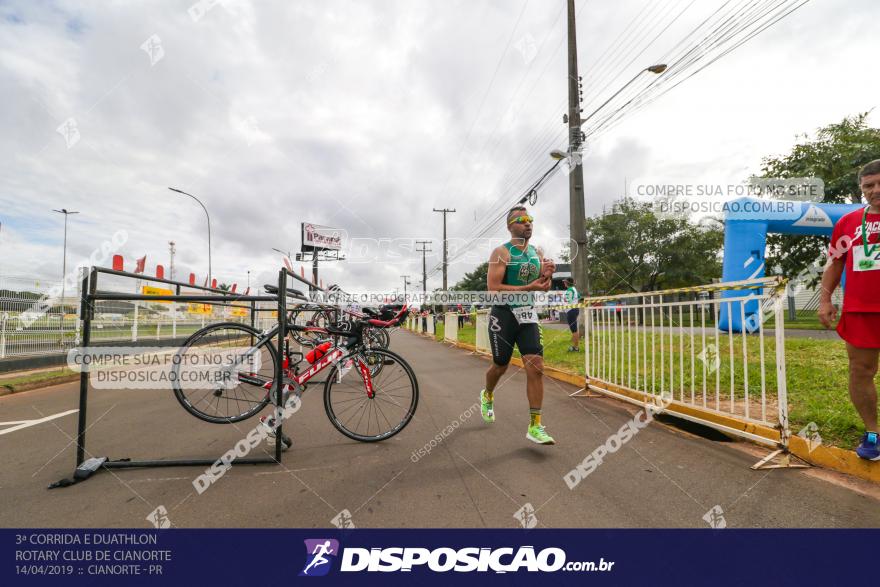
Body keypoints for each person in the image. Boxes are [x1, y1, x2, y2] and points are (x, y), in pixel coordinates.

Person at [818, 159, 880, 461]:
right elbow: (835, 263)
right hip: (861, 311)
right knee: (860, 371)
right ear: (861, 190)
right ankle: (872, 433)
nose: (875, 190)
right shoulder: (848, 223)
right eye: (869, 185)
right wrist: (825, 299)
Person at [481, 206, 555, 444]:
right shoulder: (501, 252)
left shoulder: (537, 252)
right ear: (510, 226)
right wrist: (528, 288)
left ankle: (535, 426)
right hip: (503, 316)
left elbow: (543, 286)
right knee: (500, 366)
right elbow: (493, 290)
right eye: (521, 220)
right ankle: (488, 394)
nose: (528, 224)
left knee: (536, 366)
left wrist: (547, 277)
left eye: (530, 219)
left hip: (528, 316)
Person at [562, 277, 580, 352]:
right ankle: (574, 346)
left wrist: (564, 298)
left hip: (571, 310)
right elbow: (579, 298)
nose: (564, 283)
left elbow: (567, 300)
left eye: (565, 282)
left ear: (567, 283)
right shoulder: (574, 289)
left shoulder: (570, 290)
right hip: (574, 309)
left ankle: (576, 348)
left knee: (574, 330)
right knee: (574, 329)